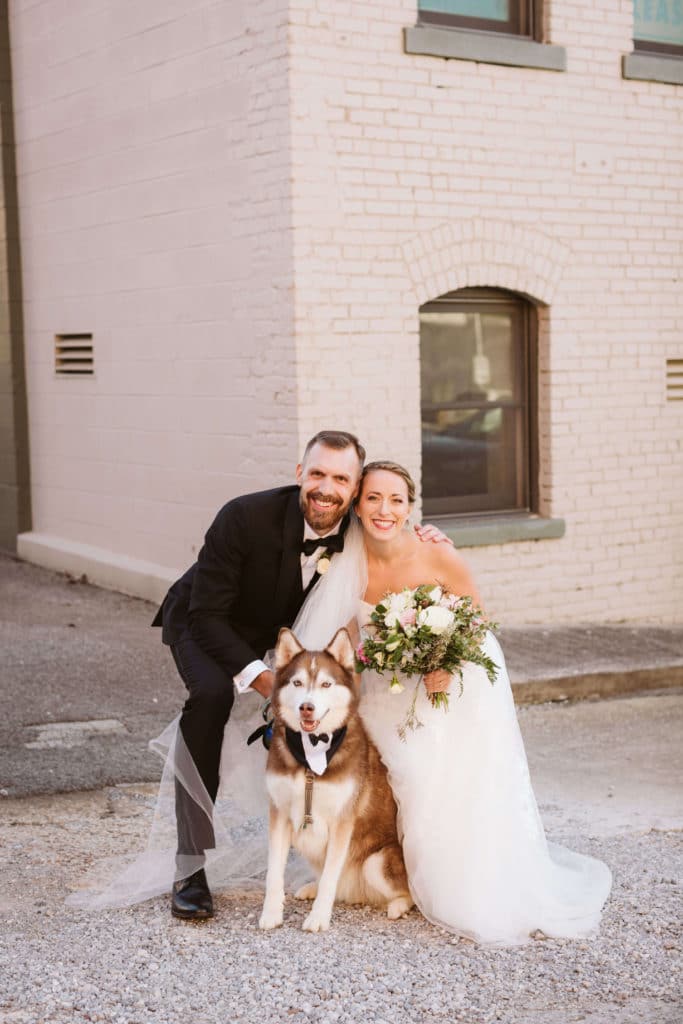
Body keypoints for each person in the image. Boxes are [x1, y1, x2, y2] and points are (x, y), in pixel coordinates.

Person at [294, 460, 612, 944]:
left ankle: (440, 881)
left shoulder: (437, 554)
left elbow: (476, 620)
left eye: (397, 500)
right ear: (357, 504)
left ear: (410, 507)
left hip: (452, 681)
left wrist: (445, 661)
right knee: (379, 778)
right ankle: (371, 873)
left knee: (429, 777)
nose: (385, 509)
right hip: (389, 684)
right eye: (374, 498)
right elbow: (351, 637)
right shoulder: (346, 560)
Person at [150, 433, 451, 921]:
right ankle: (189, 865)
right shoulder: (242, 516)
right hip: (205, 621)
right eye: (317, 474)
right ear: (299, 474)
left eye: (340, 479)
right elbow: (206, 615)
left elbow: (392, 526)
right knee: (210, 698)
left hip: (278, 636)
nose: (325, 488)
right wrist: (262, 679)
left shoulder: (353, 524)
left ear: (353, 491)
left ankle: (346, 840)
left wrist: (430, 539)